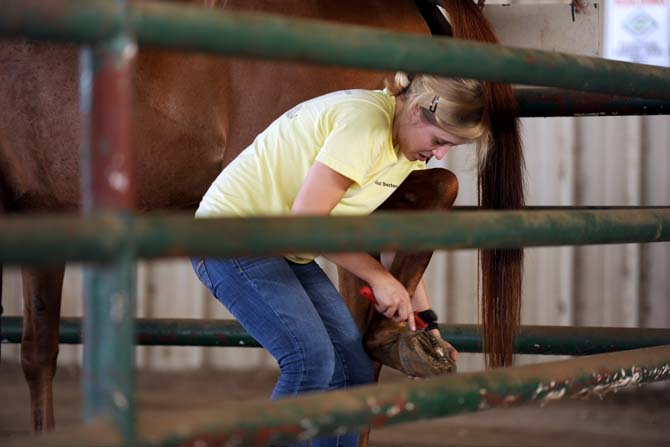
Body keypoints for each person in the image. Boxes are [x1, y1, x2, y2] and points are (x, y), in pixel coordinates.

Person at [191, 72, 490, 447]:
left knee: (353, 370)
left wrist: (427, 322)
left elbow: (395, 240)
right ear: (416, 112)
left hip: (286, 249)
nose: (441, 155)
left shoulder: (405, 150)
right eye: (440, 141)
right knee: (310, 360)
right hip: (232, 236)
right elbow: (307, 222)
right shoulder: (364, 125)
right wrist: (380, 278)